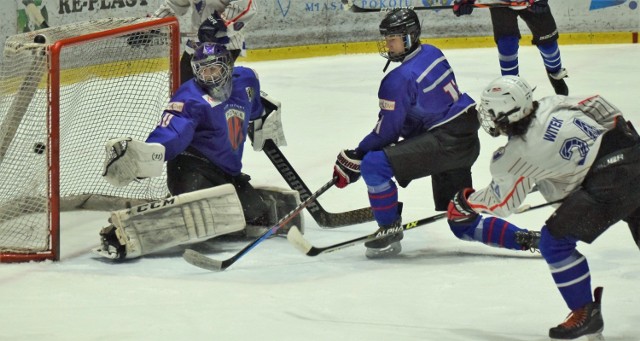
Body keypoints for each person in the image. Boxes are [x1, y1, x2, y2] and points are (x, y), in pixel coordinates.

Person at [446, 75, 640, 339]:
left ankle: (585, 312)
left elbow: (503, 203)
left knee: (554, 243)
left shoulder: (515, 156)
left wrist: (467, 202)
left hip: (607, 186)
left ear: (506, 113)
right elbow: (596, 104)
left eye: (491, 110)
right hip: (633, 155)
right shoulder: (553, 103)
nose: (488, 116)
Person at [93, 42, 296, 261]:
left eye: (214, 68)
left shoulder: (246, 80)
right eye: (202, 70)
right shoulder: (190, 98)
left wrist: (264, 118)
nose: (208, 76)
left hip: (227, 173)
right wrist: (144, 158)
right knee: (204, 214)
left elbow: (255, 105)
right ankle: (120, 235)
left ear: (227, 65)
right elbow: (173, 131)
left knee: (256, 214)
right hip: (191, 169)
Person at [332, 8, 483, 259]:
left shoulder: (398, 79)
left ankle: (388, 229)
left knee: (373, 165)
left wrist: (357, 155)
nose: (387, 44)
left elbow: (387, 134)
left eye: (393, 38)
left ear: (410, 37)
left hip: (444, 142)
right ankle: (524, 238)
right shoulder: (433, 51)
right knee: (462, 222)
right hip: (465, 138)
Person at [453, 0, 570, 95]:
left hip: (532, 1)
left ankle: (555, 75)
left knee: (548, 45)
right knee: (507, 44)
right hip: (500, 3)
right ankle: (512, 87)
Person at [151, 0, 257, 84]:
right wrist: (153, 24)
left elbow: (247, 4)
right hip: (195, 44)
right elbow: (174, 4)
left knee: (213, 93)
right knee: (182, 86)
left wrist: (219, 21)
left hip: (225, 43)